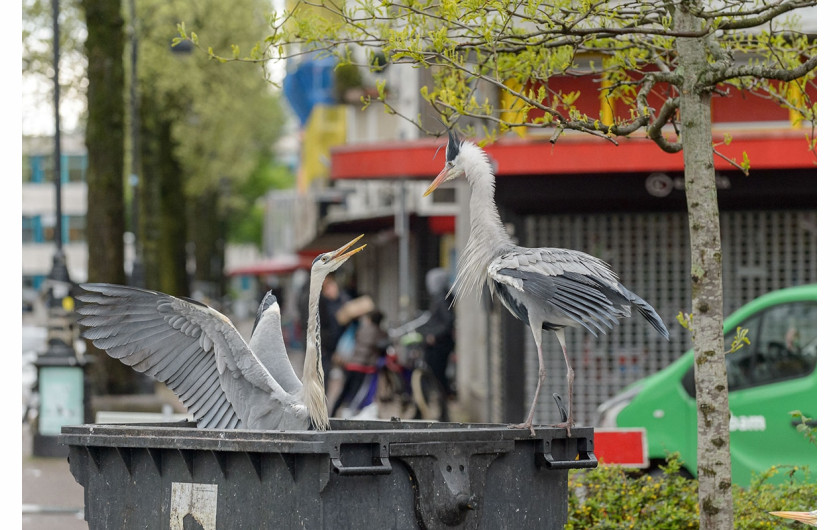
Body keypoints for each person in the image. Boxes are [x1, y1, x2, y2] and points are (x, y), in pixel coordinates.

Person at [331, 308, 389, 417]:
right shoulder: (380, 333)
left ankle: (333, 412)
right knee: (358, 393)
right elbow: (383, 348)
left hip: (352, 364)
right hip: (364, 367)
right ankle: (348, 414)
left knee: (344, 391)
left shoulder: (362, 329)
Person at [417, 268, 456, 398]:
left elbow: (448, 321)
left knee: (437, 374)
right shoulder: (441, 296)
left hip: (440, 344)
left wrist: (434, 335)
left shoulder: (442, 298)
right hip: (440, 342)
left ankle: (443, 400)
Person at [318, 273, 351, 384]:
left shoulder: (343, 298)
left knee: (346, 368)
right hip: (328, 342)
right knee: (325, 370)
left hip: (342, 339)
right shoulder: (322, 302)